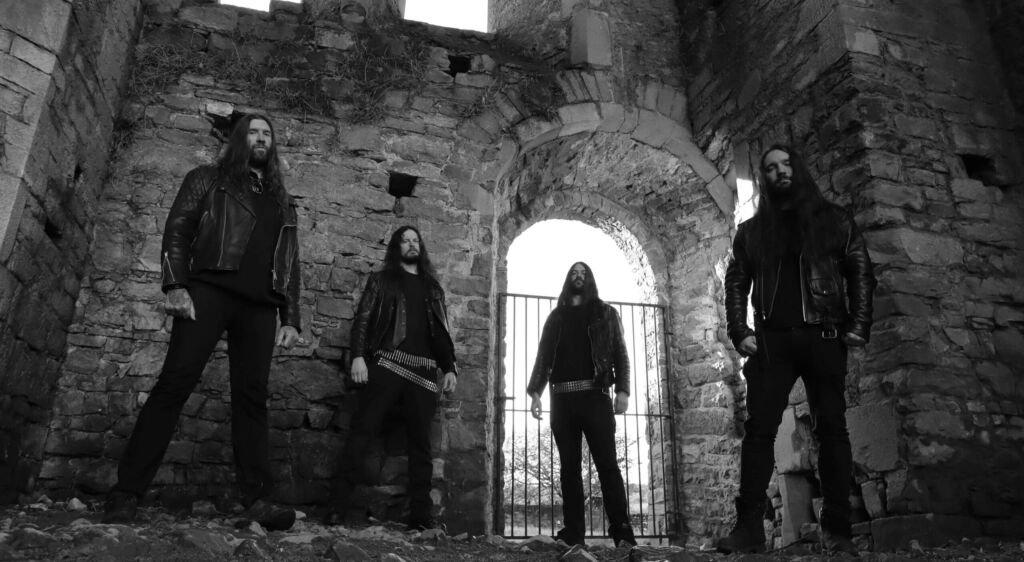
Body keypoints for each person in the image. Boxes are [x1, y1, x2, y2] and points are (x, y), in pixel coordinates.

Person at [102, 114, 302, 530]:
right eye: (253, 132)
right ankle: (126, 492)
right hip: (209, 290)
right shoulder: (207, 178)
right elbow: (178, 229)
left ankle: (258, 500)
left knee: (252, 399)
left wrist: (291, 318)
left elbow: (290, 264)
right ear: (239, 139)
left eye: (267, 134)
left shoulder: (283, 201)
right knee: (175, 383)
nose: (261, 138)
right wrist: (176, 285)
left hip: (260, 307)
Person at [718, 145, 875, 555]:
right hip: (772, 343)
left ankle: (837, 530)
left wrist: (858, 324)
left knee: (832, 430)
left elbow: (860, 268)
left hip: (824, 336)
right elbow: (736, 282)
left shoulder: (833, 220)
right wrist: (739, 330)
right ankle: (748, 529)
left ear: (798, 169)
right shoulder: (752, 232)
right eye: (771, 168)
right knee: (759, 433)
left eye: (786, 164)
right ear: (765, 178)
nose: (780, 172)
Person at [329, 226, 458, 531]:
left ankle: (420, 518)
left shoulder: (432, 288)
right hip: (387, 364)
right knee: (362, 432)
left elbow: (441, 332)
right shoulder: (381, 280)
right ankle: (336, 508)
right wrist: (358, 356)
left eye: (415, 241)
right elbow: (363, 319)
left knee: (421, 447)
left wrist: (450, 367)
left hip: (424, 374)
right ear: (396, 247)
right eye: (405, 241)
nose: (412, 245)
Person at [527, 262, 637, 548]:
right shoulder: (556, 317)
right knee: (569, 469)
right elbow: (543, 357)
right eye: (574, 273)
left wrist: (623, 390)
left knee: (608, 466)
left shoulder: (605, 313)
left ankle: (623, 532)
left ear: (590, 280)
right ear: (568, 279)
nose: (579, 276)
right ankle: (574, 533)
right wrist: (535, 392)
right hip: (562, 400)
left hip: (595, 397)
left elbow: (620, 354)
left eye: (583, 273)